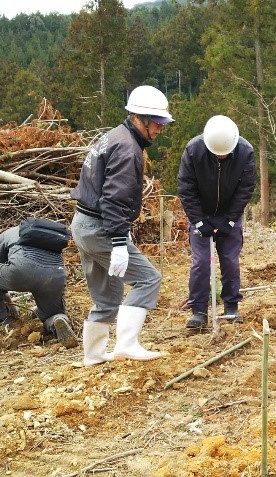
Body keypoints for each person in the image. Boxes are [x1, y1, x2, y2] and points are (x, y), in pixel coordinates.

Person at [70, 84, 169, 367]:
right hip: (101, 227)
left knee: (107, 296)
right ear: (140, 118)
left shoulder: (114, 136)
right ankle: (126, 344)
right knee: (149, 279)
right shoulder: (128, 149)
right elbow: (113, 199)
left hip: (84, 224)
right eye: (158, 122)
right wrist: (118, 243)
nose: (161, 128)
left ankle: (94, 356)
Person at [177, 115, 257, 329]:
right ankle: (199, 310)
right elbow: (186, 187)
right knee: (201, 262)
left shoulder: (245, 151)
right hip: (201, 213)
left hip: (229, 213)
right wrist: (198, 221)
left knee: (230, 261)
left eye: (225, 155)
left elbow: (246, 187)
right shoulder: (194, 150)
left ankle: (231, 305)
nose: (221, 158)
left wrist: (229, 220)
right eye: (216, 155)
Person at [0, 218, 76, 346]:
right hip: (55, 276)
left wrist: (8, 303)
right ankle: (57, 321)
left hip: (21, 273)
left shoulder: (7, 234)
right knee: (54, 313)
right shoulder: (51, 238)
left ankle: (3, 320)